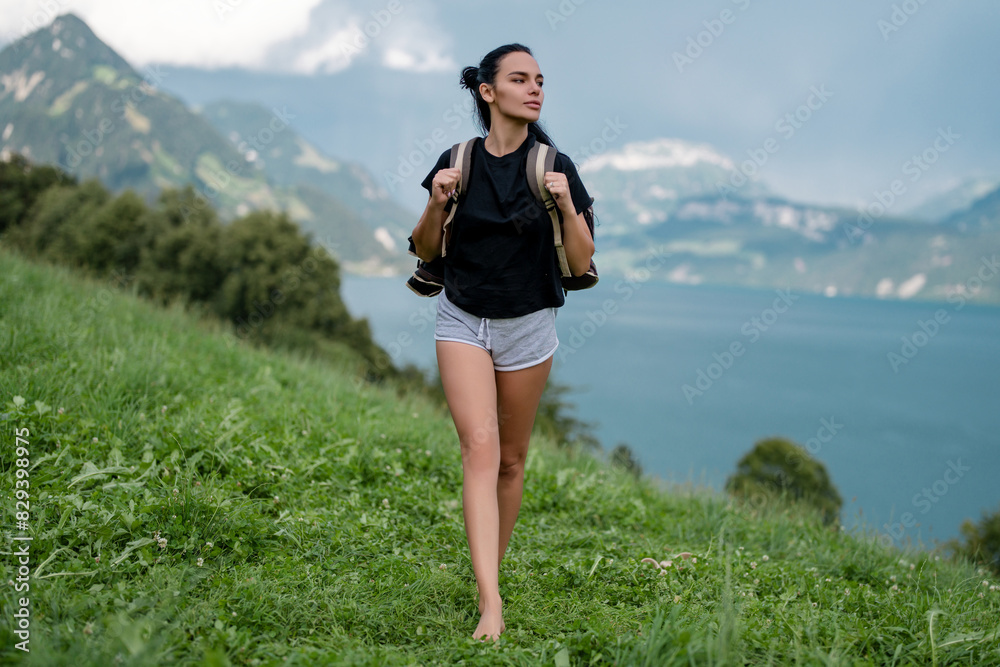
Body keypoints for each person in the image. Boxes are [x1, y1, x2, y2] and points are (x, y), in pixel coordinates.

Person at [409, 43, 596, 642]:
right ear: (488, 92)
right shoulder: (456, 160)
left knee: (512, 461)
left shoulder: (554, 165)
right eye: (519, 79)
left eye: (539, 79)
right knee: (480, 451)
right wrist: (437, 201)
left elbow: (586, 258)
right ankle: (491, 601)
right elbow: (426, 248)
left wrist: (566, 204)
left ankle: (489, 573)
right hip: (461, 317)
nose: (534, 88)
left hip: (528, 326)